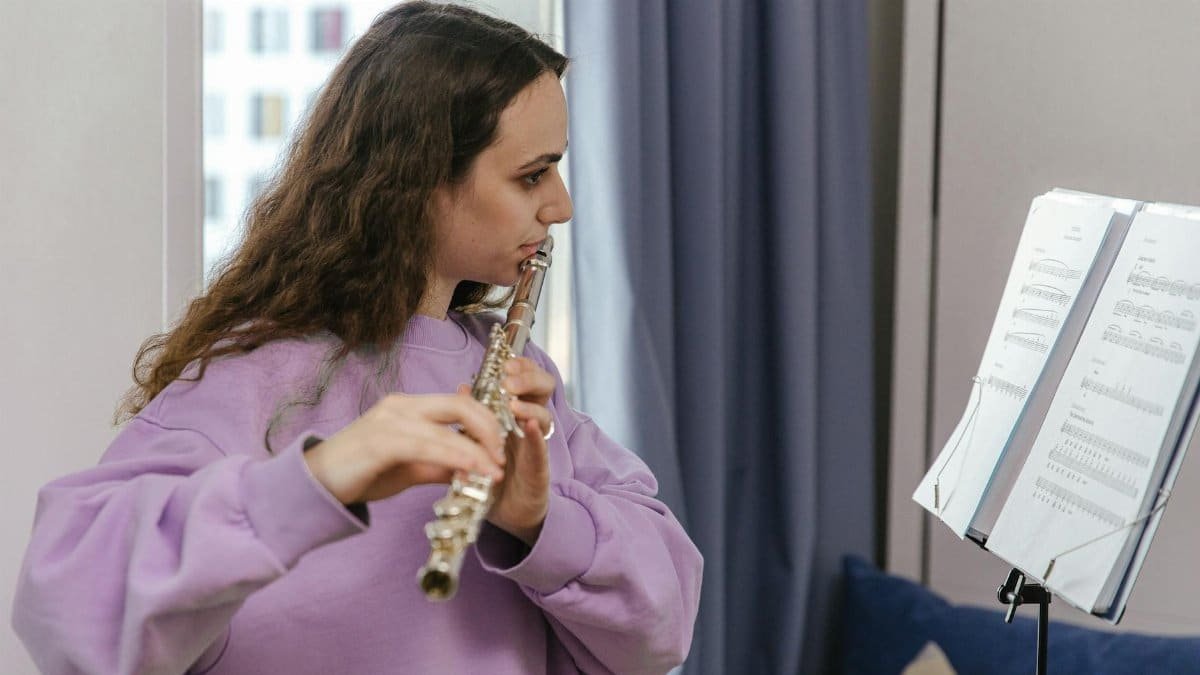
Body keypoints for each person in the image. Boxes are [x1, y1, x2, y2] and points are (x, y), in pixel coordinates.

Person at [11, 3, 703, 673]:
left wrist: (541, 520)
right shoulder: (254, 379)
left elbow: (663, 623)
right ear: (421, 177)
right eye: (532, 174)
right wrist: (319, 478)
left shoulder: (518, 373)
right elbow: (67, 607)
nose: (561, 206)